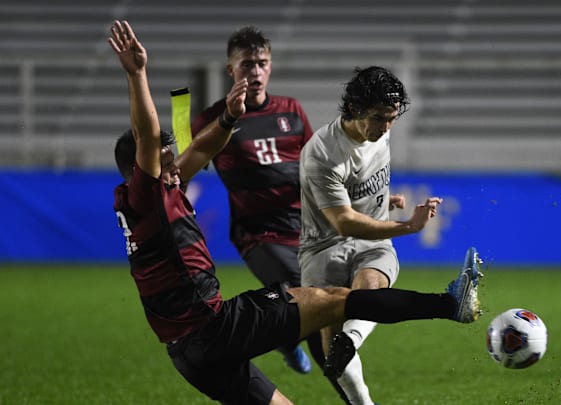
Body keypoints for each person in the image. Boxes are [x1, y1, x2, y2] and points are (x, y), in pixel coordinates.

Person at [110, 20, 481, 405]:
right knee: (336, 299)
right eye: (166, 161)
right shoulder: (147, 192)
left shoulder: (153, 195)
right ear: (140, 169)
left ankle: (300, 344)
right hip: (220, 324)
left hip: (190, 353)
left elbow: (200, 152)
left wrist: (229, 118)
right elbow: (147, 133)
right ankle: (449, 304)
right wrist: (137, 74)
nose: (177, 167)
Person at [299, 66, 447, 404]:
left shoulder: (379, 131)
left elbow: (363, 183)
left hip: (370, 244)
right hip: (323, 248)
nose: (387, 127)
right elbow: (344, 223)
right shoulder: (322, 153)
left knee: (372, 285)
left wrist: (383, 198)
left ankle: (350, 339)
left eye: (392, 118)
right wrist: (408, 226)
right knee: (333, 356)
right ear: (354, 109)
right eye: (380, 118)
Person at [190, 26, 314, 375]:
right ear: (231, 71)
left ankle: (285, 339)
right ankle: (234, 347)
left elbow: (316, 167)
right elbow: (189, 165)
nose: (255, 72)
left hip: (302, 228)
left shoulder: (291, 111)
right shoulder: (212, 119)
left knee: (309, 298)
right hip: (256, 233)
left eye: (262, 63)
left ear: (270, 66)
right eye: (247, 65)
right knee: (306, 293)